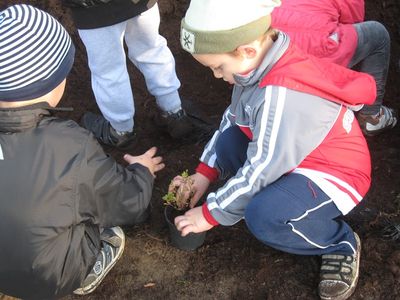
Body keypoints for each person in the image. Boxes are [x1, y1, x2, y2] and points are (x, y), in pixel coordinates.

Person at [174, 0, 377, 299]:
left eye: (218, 67)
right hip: (294, 158)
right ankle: (256, 201)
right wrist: (204, 172)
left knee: (263, 216)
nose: (217, 75)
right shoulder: (256, 66)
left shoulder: (281, 93)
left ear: (247, 50)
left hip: (335, 173)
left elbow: (263, 169)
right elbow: (232, 118)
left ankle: (339, 243)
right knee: (230, 140)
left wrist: (209, 214)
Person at [0, 4, 164, 299]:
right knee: (101, 221)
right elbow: (129, 203)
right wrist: (142, 171)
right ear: (50, 83)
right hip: (48, 279)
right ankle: (86, 272)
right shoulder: (69, 146)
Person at [62, 0, 201, 147]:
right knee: (152, 50)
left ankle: (121, 131)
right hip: (138, 3)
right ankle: (174, 112)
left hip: (94, 8)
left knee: (109, 69)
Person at [270, 0, 397, 136]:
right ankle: (371, 116)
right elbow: (353, 21)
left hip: (274, 43)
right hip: (317, 48)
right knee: (378, 35)